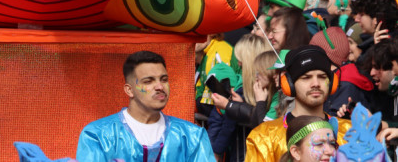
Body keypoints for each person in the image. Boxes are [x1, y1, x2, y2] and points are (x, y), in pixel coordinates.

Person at [76, 50, 212, 161]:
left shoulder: (192, 137)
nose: (160, 86)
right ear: (129, 90)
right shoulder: (98, 136)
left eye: (164, 80)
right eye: (148, 81)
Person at [244, 45, 352, 161]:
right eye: (306, 77)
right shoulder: (264, 137)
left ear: (332, 84)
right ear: (289, 84)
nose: (316, 83)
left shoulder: (349, 131)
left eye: (322, 77)